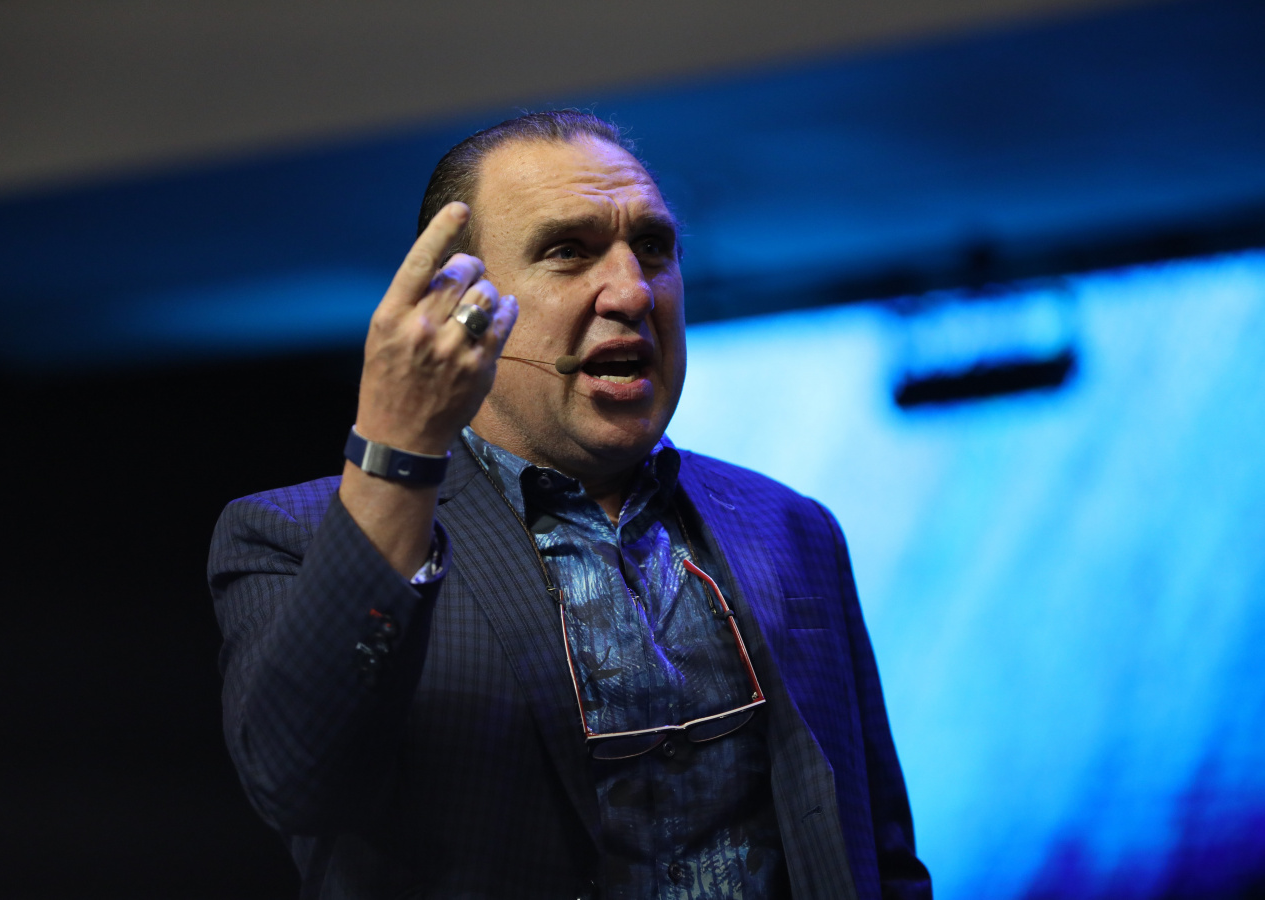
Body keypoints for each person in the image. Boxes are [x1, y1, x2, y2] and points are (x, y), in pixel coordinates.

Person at [209, 110, 930, 900]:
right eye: (568, 251)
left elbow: (881, 856)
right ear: (460, 303)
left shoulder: (790, 528)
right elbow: (298, 782)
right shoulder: (293, 537)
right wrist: (397, 451)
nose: (632, 291)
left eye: (652, 247)